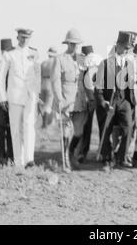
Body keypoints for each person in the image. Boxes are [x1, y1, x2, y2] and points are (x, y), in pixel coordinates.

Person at [0, 28, 41, 168]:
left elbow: (37, 75)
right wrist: (2, 97)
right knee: (15, 129)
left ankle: (29, 159)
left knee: (29, 127)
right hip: (15, 95)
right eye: (22, 37)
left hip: (30, 95)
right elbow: (0, 76)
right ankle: (18, 161)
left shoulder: (34, 53)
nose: (24, 40)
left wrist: (37, 94)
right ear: (17, 37)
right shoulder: (10, 54)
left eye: (27, 37)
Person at [52, 29, 95, 170]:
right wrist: (59, 98)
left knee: (78, 132)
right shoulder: (59, 59)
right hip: (65, 99)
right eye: (72, 44)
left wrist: (91, 98)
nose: (75, 46)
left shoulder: (82, 59)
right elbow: (55, 80)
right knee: (65, 131)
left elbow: (87, 80)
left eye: (77, 44)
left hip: (80, 100)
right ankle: (65, 160)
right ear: (68, 43)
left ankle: (71, 154)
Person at [96, 31, 137, 168]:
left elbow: (131, 85)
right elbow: (99, 87)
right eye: (125, 47)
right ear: (118, 45)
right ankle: (107, 158)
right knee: (106, 129)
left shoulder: (130, 64)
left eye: (128, 48)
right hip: (110, 101)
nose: (126, 50)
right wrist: (103, 101)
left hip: (124, 101)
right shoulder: (105, 63)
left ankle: (121, 157)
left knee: (128, 128)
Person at [75, 45, 102, 163]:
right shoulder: (100, 60)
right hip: (101, 95)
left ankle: (83, 152)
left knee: (86, 127)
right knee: (103, 125)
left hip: (89, 97)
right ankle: (102, 152)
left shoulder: (84, 62)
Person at [40, 47, 58, 130]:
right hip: (51, 84)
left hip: (42, 83)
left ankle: (45, 123)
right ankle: (45, 124)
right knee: (48, 104)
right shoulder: (55, 63)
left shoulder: (43, 63)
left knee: (43, 104)